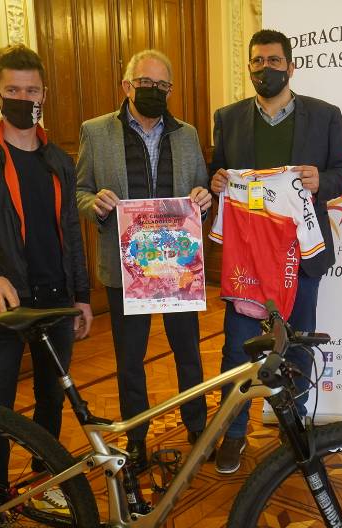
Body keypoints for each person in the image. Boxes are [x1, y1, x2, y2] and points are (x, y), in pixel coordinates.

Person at [209, 29, 342, 474]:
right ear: (249, 67)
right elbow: (217, 170)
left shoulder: (325, 116)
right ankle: (234, 433)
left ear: (291, 66)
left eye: (274, 61)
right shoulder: (228, 117)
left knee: (298, 345)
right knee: (237, 348)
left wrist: (321, 181)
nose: (265, 68)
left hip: (302, 254)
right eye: (257, 61)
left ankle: (295, 430)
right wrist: (217, 181)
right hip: (248, 257)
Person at [0, 44, 93, 489]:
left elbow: (71, 231)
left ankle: (45, 482)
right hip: (6, 304)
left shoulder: (59, 160)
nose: (23, 97)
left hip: (57, 300)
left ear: (43, 94)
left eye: (31, 90)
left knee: (52, 400)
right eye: (13, 90)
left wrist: (83, 296)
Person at [76, 49, 211, 467]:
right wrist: (94, 203)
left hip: (177, 266)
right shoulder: (95, 132)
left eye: (162, 85)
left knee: (188, 353)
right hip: (126, 268)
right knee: (129, 360)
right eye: (146, 83)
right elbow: (79, 192)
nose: (154, 91)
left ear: (170, 90)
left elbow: (202, 189)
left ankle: (197, 426)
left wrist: (204, 198)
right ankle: (136, 438)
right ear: (127, 86)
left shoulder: (187, 134)